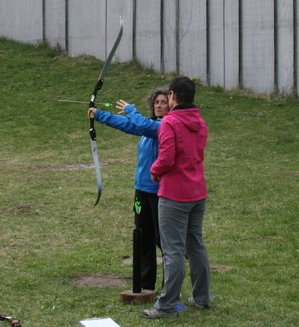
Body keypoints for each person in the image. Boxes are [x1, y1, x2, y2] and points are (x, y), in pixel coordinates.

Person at [142, 76, 211, 320]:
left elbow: (167, 158)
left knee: (173, 251)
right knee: (195, 245)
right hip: (197, 193)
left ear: (172, 96)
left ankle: (167, 305)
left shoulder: (169, 122)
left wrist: (154, 170)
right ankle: (202, 297)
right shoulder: (200, 122)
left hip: (174, 195)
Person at [88, 88, 169, 292]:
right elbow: (127, 124)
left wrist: (130, 109)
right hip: (141, 190)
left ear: (171, 105)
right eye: (156, 102)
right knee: (143, 236)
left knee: (163, 240)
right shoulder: (148, 127)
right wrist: (99, 114)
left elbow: (142, 124)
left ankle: (168, 289)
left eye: (163, 102)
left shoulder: (164, 127)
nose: (159, 106)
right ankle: (145, 284)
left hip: (159, 192)